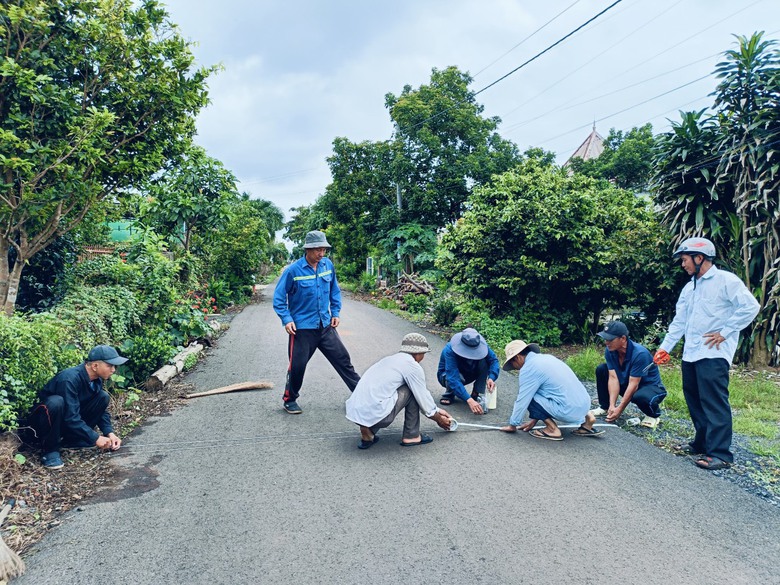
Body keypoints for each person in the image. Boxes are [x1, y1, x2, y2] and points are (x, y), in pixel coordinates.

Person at [653, 237, 759, 471]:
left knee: (714, 402)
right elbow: (679, 322)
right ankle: (701, 443)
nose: (683, 264)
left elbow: (751, 306)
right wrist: (664, 348)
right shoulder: (689, 287)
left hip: (714, 353)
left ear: (699, 258)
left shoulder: (725, 281)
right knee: (695, 400)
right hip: (691, 354)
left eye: (685, 259)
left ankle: (720, 454)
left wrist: (726, 331)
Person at [273, 230, 361, 414]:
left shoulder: (327, 265)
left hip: (325, 326)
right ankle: (290, 399)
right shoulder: (292, 271)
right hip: (302, 329)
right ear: (308, 249)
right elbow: (279, 299)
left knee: (343, 360)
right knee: (297, 366)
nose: (322, 254)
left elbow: (334, 290)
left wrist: (335, 312)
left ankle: (362, 393)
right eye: (318, 250)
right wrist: (287, 320)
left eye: (324, 250)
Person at [25, 345, 127, 469]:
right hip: (41, 426)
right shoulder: (69, 379)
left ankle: (74, 440)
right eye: (110, 365)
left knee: (102, 397)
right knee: (56, 402)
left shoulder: (96, 379)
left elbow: (101, 411)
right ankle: (50, 451)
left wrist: (109, 433)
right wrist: (95, 438)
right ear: (95, 366)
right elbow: (70, 417)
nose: (113, 370)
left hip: (66, 421)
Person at [345, 333, 452, 448]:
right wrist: (439, 419)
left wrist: (437, 409)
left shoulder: (388, 360)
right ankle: (412, 436)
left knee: (382, 394)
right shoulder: (412, 366)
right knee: (412, 390)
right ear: (418, 353)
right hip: (379, 416)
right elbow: (423, 398)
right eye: (424, 354)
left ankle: (368, 431)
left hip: (355, 413)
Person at [500, 340, 603, 440]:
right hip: (585, 405)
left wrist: (513, 424)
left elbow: (523, 400)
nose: (515, 368)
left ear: (517, 358)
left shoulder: (529, 368)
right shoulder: (548, 358)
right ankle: (588, 421)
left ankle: (552, 429)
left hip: (568, 410)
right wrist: (535, 419)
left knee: (528, 396)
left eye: (512, 364)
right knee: (557, 390)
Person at [593, 320, 667, 428]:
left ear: (623, 338)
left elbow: (634, 384)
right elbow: (613, 378)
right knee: (602, 369)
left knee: (640, 396)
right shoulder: (610, 350)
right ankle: (605, 407)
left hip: (650, 387)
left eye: (610, 339)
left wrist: (620, 409)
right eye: (605, 339)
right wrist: (612, 405)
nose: (606, 342)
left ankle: (653, 415)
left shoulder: (640, 353)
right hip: (629, 383)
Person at [437, 328, 500, 415]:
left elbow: (494, 360)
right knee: (455, 377)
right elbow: (453, 377)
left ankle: (475, 393)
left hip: (469, 373)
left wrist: (491, 378)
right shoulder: (449, 350)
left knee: (485, 361)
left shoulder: (484, 347)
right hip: (447, 376)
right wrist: (468, 400)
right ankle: (449, 394)